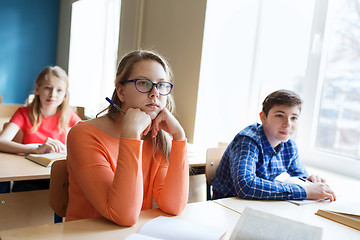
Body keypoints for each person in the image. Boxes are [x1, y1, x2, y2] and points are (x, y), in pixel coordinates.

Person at [66, 50, 189, 227]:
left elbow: (173, 206)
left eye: (161, 85)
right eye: (144, 83)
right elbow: (123, 216)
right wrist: (131, 136)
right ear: (121, 91)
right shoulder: (83, 134)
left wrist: (179, 137)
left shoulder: (156, 138)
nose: (155, 93)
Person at [212, 89, 336, 201]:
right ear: (263, 117)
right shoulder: (247, 141)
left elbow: (299, 175)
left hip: (258, 205)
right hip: (228, 206)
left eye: (293, 118)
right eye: (279, 116)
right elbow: (246, 185)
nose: (287, 124)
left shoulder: (289, 145)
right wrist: (304, 191)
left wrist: (308, 181)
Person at [0, 66, 81, 192]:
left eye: (59, 90)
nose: (53, 94)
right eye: (48, 88)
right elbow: (1, 142)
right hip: (28, 178)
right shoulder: (23, 113)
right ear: (37, 89)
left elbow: (88, 137)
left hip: (56, 177)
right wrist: (36, 149)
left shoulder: (69, 115)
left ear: (65, 95)